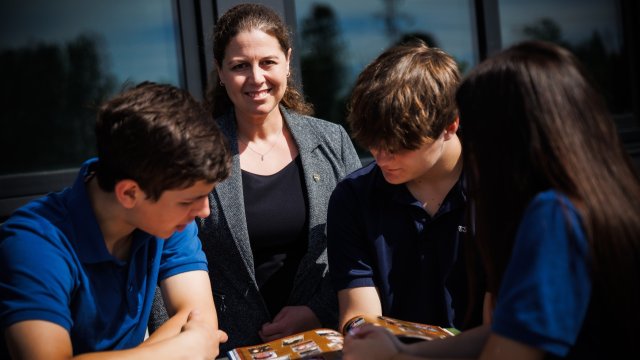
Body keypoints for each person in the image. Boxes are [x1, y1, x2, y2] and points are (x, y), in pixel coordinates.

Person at [341, 40, 640, 359]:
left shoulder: (553, 217)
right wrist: (403, 352)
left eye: (478, 132)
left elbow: (508, 351)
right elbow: (506, 331)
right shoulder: (609, 198)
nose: (471, 147)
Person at [149, 3, 362, 353]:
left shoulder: (331, 141)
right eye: (239, 66)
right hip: (229, 348)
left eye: (267, 62)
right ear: (219, 71)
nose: (256, 78)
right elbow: (167, 261)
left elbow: (359, 244)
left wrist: (317, 310)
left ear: (288, 61)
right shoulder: (193, 153)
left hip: (321, 343)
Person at [0, 82, 232, 359]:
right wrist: (178, 352)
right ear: (129, 193)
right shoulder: (34, 244)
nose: (204, 211)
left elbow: (199, 319)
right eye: (188, 200)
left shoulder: (167, 217)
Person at [326, 41, 484, 333]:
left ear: (449, 125)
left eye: (399, 146)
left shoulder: (498, 190)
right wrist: (361, 334)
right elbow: (358, 310)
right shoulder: (353, 197)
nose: (381, 157)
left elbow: (506, 325)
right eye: (372, 142)